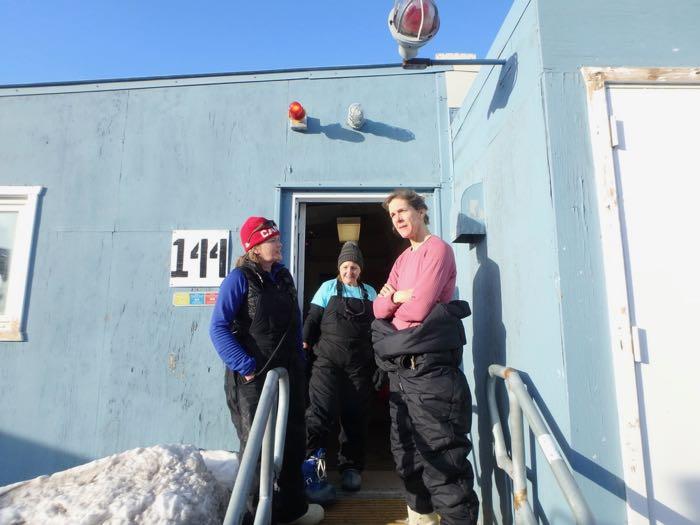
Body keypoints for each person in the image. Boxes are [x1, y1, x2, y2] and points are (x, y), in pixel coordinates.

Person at [372, 190, 480, 525]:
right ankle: (421, 519)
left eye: (403, 211)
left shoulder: (438, 250)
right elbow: (377, 310)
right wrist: (397, 299)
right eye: (392, 215)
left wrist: (395, 304)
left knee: (443, 463)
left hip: (431, 375)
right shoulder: (403, 260)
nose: (398, 219)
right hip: (401, 377)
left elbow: (418, 309)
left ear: (421, 211)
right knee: (406, 456)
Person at [209, 216, 324, 525]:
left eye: (278, 239)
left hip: (288, 375)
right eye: (273, 240)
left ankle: (292, 511)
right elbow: (218, 328)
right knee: (257, 450)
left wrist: (299, 361)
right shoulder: (239, 279)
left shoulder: (284, 277)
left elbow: (296, 323)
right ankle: (252, 517)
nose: (280, 244)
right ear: (255, 248)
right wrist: (245, 366)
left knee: (293, 440)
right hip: (254, 379)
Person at [301, 242, 378, 503]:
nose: (349, 271)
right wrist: (304, 342)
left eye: (354, 267)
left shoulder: (370, 293)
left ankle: (351, 468)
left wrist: (381, 362)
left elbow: (379, 329)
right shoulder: (327, 289)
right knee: (319, 416)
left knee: (355, 418)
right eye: (345, 266)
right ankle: (315, 472)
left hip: (359, 367)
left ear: (360, 269)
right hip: (327, 364)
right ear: (339, 268)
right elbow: (312, 320)